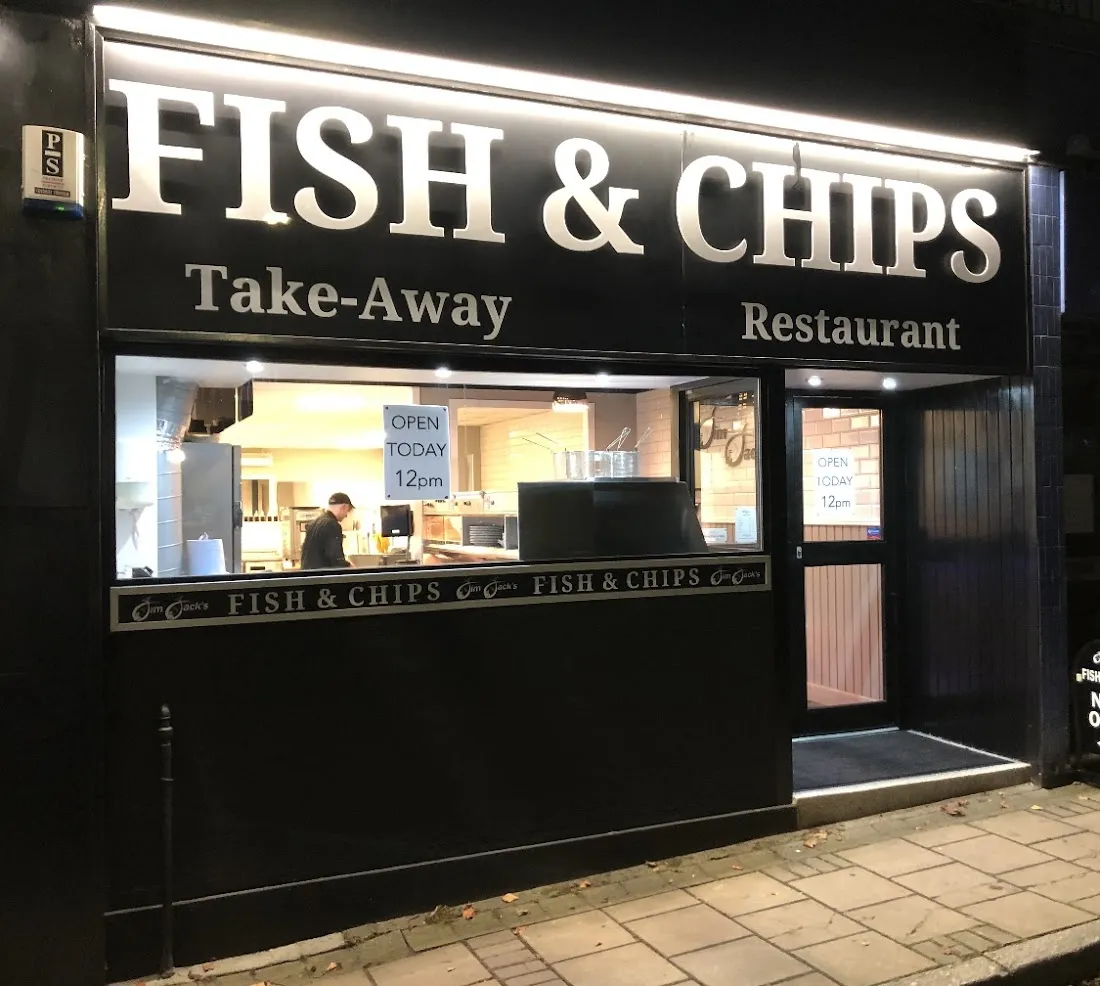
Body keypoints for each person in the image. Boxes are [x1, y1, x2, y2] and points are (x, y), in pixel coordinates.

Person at [300, 493, 354, 569]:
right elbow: (335, 557)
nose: (346, 515)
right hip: (322, 576)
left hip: (308, 574)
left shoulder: (314, 523)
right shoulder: (332, 525)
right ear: (343, 507)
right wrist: (348, 566)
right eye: (347, 511)